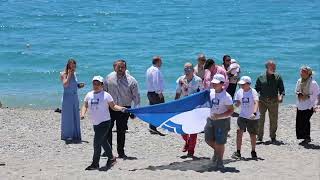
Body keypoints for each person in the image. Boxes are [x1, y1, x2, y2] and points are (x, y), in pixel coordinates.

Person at [81, 76, 126, 171]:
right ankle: (112, 158)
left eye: (98, 84)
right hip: (95, 123)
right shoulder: (89, 94)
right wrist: (82, 114)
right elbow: (85, 105)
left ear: (102, 85)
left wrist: (121, 108)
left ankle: (95, 163)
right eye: (94, 83)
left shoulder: (106, 95)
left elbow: (113, 106)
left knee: (96, 143)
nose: (96, 86)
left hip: (105, 122)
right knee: (103, 141)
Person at [104, 59, 140, 159]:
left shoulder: (132, 80)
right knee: (108, 130)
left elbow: (136, 97)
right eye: (118, 67)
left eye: (122, 67)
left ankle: (121, 152)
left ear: (126, 68)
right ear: (114, 67)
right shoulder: (108, 78)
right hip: (110, 107)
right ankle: (108, 150)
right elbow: (104, 93)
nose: (120, 69)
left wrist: (135, 111)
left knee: (121, 131)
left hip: (124, 109)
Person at [204, 74, 234, 169]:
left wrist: (220, 116)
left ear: (222, 84)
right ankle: (217, 152)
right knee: (208, 140)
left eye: (216, 83)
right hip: (210, 119)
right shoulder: (211, 92)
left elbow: (231, 110)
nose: (214, 85)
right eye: (213, 83)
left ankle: (220, 161)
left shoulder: (226, 96)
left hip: (222, 121)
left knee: (220, 142)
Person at [175, 62, 203, 157]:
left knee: (193, 130)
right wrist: (174, 105)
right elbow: (178, 93)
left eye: (189, 69)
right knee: (182, 129)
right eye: (185, 69)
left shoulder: (198, 80)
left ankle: (191, 151)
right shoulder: (180, 80)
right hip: (183, 107)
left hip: (194, 108)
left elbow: (202, 94)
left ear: (193, 70)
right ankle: (187, 141)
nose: (187, 71)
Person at [255, 60, 285, 143]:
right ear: (267, 67)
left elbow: (282, 90)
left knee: (274, 120)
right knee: (260, 119)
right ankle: (259, 137)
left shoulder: (278, 77)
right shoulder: (260, 77)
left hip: (274, 101)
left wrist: (281, 97)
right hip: (262, 101)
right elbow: (256, 89)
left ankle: (273, 137)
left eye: (275, 67)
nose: (274, 68)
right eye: (272, 67)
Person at [232, 76, 259, 159]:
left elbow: (256, 102)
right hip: (242, 115)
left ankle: (253, 151)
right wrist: (232, 109)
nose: (242, 86)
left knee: (253, 134)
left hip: (253, 117)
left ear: (248, 84)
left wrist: (254, 113)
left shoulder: (253, 92)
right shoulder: (239, 92)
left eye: (243, 84)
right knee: (239, 132)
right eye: (241, 84)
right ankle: (238, 152)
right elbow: (238, 103)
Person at [60, 59, 84, 143]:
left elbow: (73, 85)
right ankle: (67, 135)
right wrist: (69, 75)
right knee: (68, 116)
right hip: (67, 97)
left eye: (74, 66)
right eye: (72, 66)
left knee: (75, 115)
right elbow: (65, 84)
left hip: (75, 97)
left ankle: (75, 134)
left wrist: (79, 86)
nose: (73, 68)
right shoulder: (63, 74)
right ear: (68, 65)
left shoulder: (75, 74)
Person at [295, 66, 319, 144]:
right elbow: (296, 90)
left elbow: (318, 94)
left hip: (309, 105)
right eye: (301, 71)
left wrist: (308, 97)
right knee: (300, 121)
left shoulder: (313, 83)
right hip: (300, 103)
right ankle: (303, 137)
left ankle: (307, 137)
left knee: (305, 121)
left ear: (308, 73)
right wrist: (299, 94)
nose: (301, 73)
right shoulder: (299, 81)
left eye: (303, 72)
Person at [146, 56, 165, 135]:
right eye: (161, 61)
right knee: (159, 110)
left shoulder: (149, 69)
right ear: (157, 62)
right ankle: (153, 127)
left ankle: (152, 127)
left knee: (153, 110)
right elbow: (155, 82)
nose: (162, 63)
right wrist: (159, 92)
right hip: (155, 93)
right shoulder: (156, 70)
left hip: (150, 93)